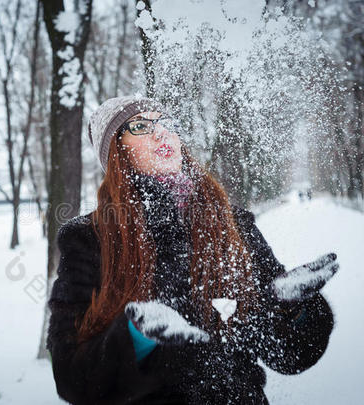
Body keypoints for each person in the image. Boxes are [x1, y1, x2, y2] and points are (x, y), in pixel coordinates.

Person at [46, 96, 339, 404]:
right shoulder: (89, 239)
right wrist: (137, 336)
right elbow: (72, 380)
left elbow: (288, 357)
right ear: (116, 152)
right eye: (141, 126)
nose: (161, 133)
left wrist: (289, 306)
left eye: (167, 123)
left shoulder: (231, 223)